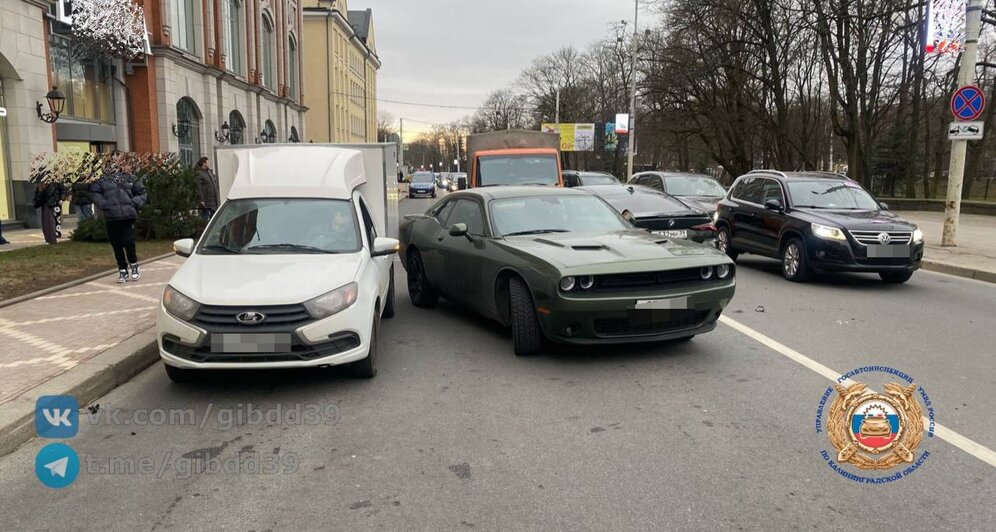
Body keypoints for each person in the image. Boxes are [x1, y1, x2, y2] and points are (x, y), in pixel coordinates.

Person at [88, 173, 148, 283]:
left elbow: (142, 193)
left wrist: (133, 203)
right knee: (116, 245)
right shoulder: (102, 178)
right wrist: (104, 204)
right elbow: (94, 192)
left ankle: (134, 264)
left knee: (128, 241)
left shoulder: (130, 176)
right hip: (111, 216)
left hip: (128, 215)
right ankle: (122, 269)